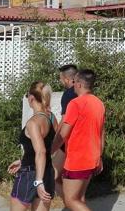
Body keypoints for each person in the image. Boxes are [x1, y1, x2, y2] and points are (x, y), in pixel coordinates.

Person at [52, 69, 105, 211]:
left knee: (70, 201)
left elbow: (63, 134)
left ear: (80, 84)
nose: (73, 84)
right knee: (79, 198)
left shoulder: (75, 104)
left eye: (74, 82)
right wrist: (99, 157)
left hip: (77, 161)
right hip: (92, 159)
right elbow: (101, 133)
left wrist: (50, 150)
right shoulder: (99, 103)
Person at [8, 81, 57, 211]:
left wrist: (38, 182)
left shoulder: (33, 123)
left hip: (31, 175)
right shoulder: (51, 118)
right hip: (47, 171)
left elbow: (40, 151)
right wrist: (23, 161)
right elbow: (51, 145)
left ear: (31, 98)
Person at [53, 64, 78, 198]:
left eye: (61, 79)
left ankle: (71, 204)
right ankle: (72, 203)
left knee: (53, 175)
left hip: (67, 142)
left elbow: (64, 121)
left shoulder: (68, 94)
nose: (60, 81)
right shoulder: (85, 93)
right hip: (81, 142)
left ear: (67, 79)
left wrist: (55, 140)